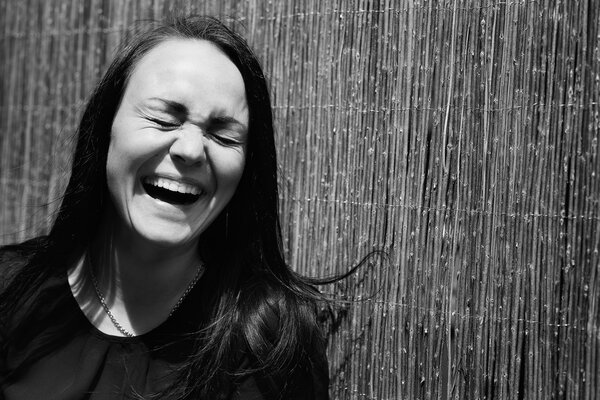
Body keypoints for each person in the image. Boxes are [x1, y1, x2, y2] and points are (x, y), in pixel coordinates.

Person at [0, 15, 330, 399]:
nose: (190, 150)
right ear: (105, 128)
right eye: (162, 119)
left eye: (223, 135)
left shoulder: (267, 341)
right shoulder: (11, 293)